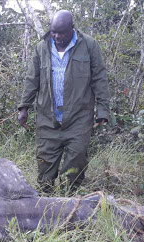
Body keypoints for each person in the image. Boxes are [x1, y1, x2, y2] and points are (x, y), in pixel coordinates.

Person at [18, 10, 110, 192]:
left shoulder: (89, 45)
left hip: (78, 117)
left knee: (76, 162)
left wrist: (103, 109)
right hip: (47, 117)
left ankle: (70, 200)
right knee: (45, 165)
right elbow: (32, 79)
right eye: (53, 32)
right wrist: (24, 107)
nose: (57, 36)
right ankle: (47, 202)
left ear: (72, 29)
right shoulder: (41, 48)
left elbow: (99, 78)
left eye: (61, 33)